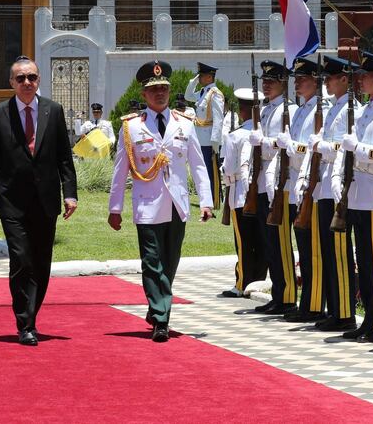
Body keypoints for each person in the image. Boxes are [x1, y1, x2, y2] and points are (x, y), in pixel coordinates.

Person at [108, 61, 213, 342]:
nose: (160, 94)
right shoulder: (132, 128)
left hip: (176, 204)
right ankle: (161, 317)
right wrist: (114, 208)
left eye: (164, 89)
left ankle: (157, 308)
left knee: (170, 263)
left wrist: (206, 201)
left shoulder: (185, 125)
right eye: (154, 90)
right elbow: (121, 170)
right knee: (152, 262)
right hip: (148, 205)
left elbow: (198, 165)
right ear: (144, 94)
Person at [0, 56, 78, 346]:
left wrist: (69, 192)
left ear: (39, 81)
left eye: (31, 77)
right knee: (21, 259)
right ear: (11, 82)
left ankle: (31, 318)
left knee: (41, 263)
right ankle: (24, 322)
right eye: (20, 78)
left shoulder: (53, 111)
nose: (26, 83)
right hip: (11, 201)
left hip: (45, 201)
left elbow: (64, 157)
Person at [331, 52, 373, 343]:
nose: (361, 81)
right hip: (357, 194)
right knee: (363, 261)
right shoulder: (368, 109)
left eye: (365, 76)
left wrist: (357, 149)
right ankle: (368, 318)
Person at [309, 56, 360, 332]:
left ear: (344, 79)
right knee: (329, 250)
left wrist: (322, 146)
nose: (326, 83)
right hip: (326, 184)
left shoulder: (353, 110)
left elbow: (345, 148)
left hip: (339, 186)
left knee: (340, 251)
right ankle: (335, 308)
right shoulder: (333, 109)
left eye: (330, 78)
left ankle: (345, 312)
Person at [276, 57, 327, 323]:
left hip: (311, 185)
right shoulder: (301, 110)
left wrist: (291, 147)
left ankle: (315, 303)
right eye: (296, 79)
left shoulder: (321, 110)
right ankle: (307, 300)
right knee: (304, 249)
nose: (297, 83)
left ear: (316, 82)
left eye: (303, 79)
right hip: (297, 185)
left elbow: (311, 150)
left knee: (313, 249)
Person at [249, 60, 298, 315]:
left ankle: (287, 295)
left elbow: (284, 144)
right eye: (264, 81)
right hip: (263, 178)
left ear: (283, 83)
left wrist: (265, 142)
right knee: (269, 242)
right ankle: (278, 292)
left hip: (277, 179)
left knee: (279, 241)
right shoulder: (267, 109)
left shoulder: (286, 110)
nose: (266, 85)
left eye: (272, 81)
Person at [220, 87, 267, 298]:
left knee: (244, 242)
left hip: (240, 194)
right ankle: (258, 280)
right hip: (262, 193)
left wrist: (224, 174)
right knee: (260, 240)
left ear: (242, 110)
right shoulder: (264, 133)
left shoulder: (235, 136)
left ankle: (242, 283)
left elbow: (229, 169)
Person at [185, 62, 225, 208]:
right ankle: (206, 199)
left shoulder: (215, 94)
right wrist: (193, 81)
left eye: (201, 76)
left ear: (210, 77)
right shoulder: (203, 93)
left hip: (208, 141)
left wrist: (215, 142)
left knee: (209, 172)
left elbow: (218, 119)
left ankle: (213, 201)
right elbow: (188, 95)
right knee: (201, 171)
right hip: (199, 139)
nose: (200, 78)